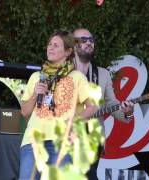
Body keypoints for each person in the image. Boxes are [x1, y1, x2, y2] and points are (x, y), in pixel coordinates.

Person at [19, 30, 97, 180]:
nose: (50, 48)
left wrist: (74, 121)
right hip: (32, 143)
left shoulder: (77, 77)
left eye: (56, 45)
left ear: (68, 51)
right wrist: (35, 93)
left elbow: (92, 107)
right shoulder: (36, 76)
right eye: (49, 44)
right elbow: (24, 112)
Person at [73, 28, 134, 122]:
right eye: (84, 40)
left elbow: (111, 104)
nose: (89, 43)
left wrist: (128, 113)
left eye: (91, 40)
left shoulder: (103, 74)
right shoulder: (61, 73)